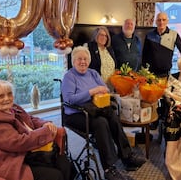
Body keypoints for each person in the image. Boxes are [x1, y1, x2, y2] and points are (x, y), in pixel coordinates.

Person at [61, 46, 146, 180]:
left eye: (85, 59)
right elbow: (69, 99)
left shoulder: (93, 73)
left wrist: (102, 91)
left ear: (88, 61)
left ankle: (127, 156)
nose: (82, 62)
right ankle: (109, 168)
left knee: (112, 115)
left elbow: (105, 89)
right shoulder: (69, 77)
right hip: (76, 114)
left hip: (95, 109)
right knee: (101, 123)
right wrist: (92, 91)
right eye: (79, 59)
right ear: (73, 61)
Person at [0, 80, 75, 180]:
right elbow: (18, 142)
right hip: (3, 160)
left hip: (25, 153)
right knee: (55, 176)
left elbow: (31, 119)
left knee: (66, 164)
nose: (6, 98)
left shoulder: (13, 107)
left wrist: (44, 123)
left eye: (9, 94)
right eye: (0, 96)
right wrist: (46, 131)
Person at [142, 12, 181, 77]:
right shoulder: (149, 35)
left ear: (167, 21)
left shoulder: (174, 35)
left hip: (165, 73)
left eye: (164, 20)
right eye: (159, 20)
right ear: (156, 22)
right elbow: (144, 55)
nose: (161, 22)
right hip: (150, 74)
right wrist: (143, 71)